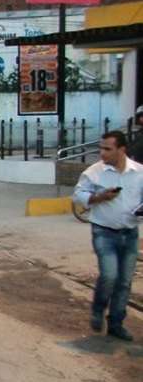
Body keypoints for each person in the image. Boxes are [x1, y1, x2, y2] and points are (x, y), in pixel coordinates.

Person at [73, 130, 142, 341]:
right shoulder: (94, 172)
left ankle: (116, 323)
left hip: (129, 232)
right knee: (110, 275)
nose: (102, 153)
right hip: (103, 232)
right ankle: (98, 308)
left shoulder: (139, 172)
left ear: (121, 150)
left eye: (107, 149)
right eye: (101, 148)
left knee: (124, 281)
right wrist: (98, 197)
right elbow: (78, 195)